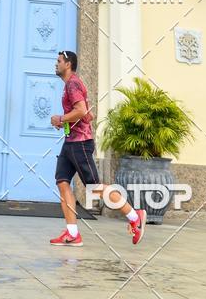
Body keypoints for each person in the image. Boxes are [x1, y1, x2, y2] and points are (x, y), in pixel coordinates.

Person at [49, 50, 146, 247]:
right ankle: (72, 233)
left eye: (58, 61)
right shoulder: (71, 85)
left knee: (95, 187)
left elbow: (81, 111)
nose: (55, 64)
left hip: (80, 144)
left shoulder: (73, 83)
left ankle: (135, 216)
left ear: (68, 64)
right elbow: (87, 114)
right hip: (71, 142)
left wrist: (61, 118)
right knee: (62, 181)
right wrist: (67, 121)